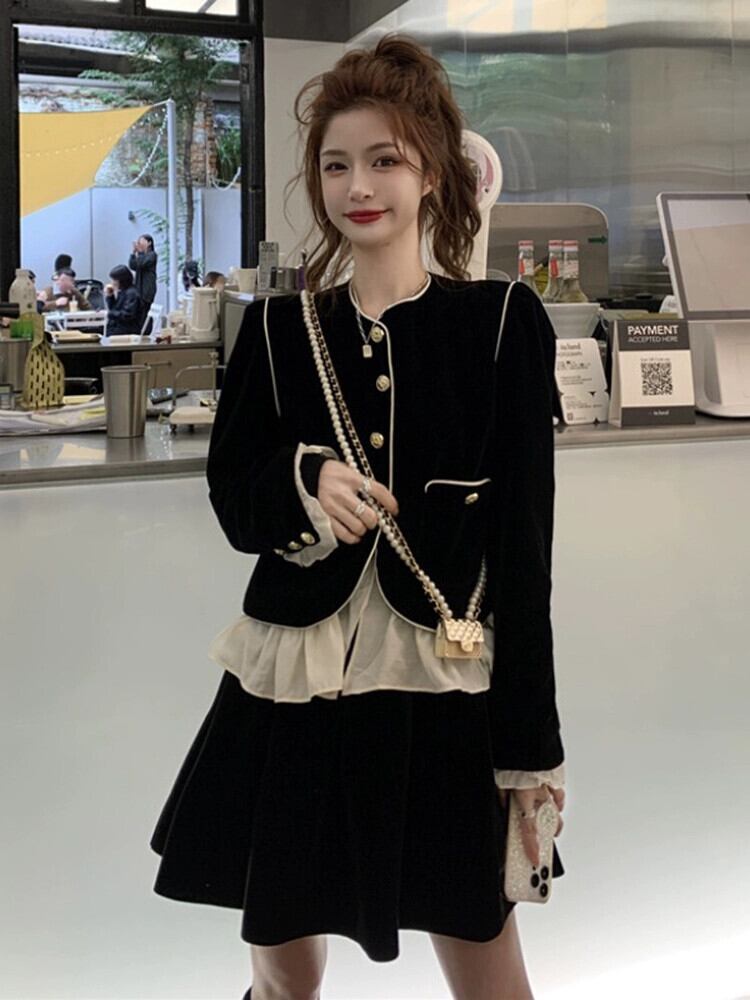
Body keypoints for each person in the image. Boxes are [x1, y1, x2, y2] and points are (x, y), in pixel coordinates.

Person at [150, 34, 566, 1000]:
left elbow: (525, 551)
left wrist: (531, 749)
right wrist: (304, 481)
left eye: (385, 160)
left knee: (488, 964)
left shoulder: (503, 323)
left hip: (443, 684)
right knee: (282, 971)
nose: (359, 185)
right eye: (336, 165)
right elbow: (234, 498)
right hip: (294, 684)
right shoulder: (276, 327)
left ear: (433, 173)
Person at [128, 234, 157, 333]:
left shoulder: (152, 255)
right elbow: (133, 266)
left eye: (141, 241)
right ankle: (140, 332)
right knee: (139, 313)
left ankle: (146, 333)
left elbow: (141, 263)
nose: (139, 244)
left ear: (149, 243)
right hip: (139, 288)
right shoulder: (142, 256)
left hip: (147, 289)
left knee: (145, 312)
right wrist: (133, 253)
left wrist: (140, 253)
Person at [104, 265, 142, 336]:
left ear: (122, 280)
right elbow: (114, 309)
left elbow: (127, 315)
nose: (112, 282)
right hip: (119, 325)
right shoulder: (123, 291)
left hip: (127, 328)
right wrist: (110, 296)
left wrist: (108, 313)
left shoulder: (132, 294)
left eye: (114, 280)